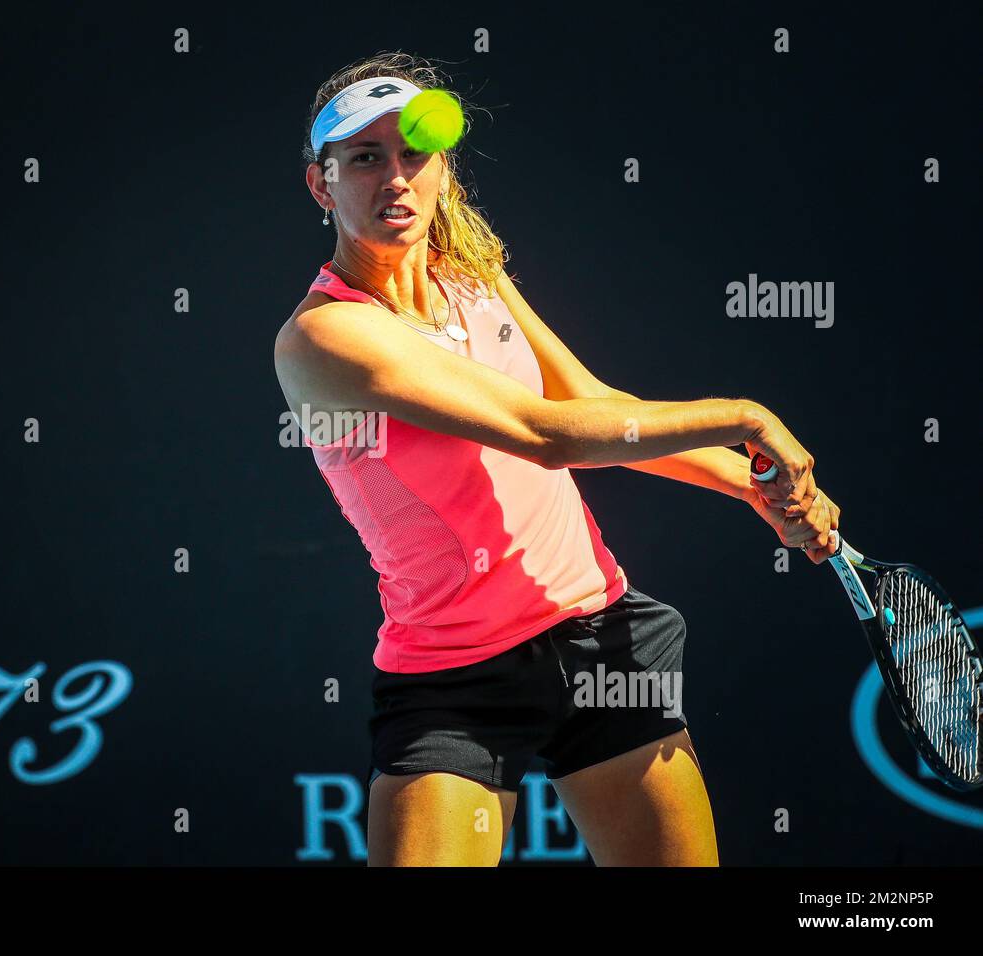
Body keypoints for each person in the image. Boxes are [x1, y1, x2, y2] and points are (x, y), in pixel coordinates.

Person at [273, 52, 841, 866]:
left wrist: (754, 485)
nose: (394, 177)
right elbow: (549, 434)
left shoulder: (472, 275)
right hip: (453, 680)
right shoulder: (325, 338)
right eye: (364, 158)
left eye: (413, 154)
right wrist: (749, 419)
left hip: (600, 638)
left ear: (442, 172)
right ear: (321, 185)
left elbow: (593, 402)